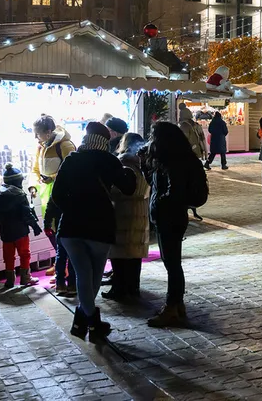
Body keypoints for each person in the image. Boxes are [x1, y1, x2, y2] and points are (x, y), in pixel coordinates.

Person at [52, 122, 136, 342]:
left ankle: (84, 318)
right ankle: (93, 323)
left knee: (82, 273)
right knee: (93, 275)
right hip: (100, 225)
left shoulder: (71, 160)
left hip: (71, 227)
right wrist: (129, 170)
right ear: (105, 141)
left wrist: (74, 209)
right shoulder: (109, 160)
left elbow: (57, 195)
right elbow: (128, 188)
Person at [144, 121, 196, 327]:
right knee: (173, 263)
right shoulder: (175, 158)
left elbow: (173, 191)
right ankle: (177, 304)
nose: (151, 140)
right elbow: (154, 184)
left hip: (170, 217)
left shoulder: (172, 162)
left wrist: (162, 204)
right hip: (173, 216)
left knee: (172, 263)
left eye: (153, 136)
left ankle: (171, 306)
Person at [31, 115, 76, 279]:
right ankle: (60, 263)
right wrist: (33, 185)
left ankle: (66, 267)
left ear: (48, 132)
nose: (36, 137)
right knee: (50, 228)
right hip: (45, 193)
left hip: (61, 194)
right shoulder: (41, 147)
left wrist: (53, 178)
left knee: (61, 230)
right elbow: (35, 169)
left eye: (38, 134)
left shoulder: (65, 145)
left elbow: (72, 169)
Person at [102, 152, 150, 301]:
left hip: (124, 215)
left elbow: (122, 191)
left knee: (119, 255)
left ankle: (119, 289)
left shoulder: (126, 171)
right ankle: (133, 287)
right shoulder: (142, 170)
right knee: (135, 256)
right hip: (140, 214)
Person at [0, 164, 42, 288]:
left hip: (5, 232)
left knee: (8, 256)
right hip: (20, 232)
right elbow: (26, 214)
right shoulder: (19, 195)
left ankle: (9, 280)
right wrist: (34, 225)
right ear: (18, 181)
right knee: (24, 254)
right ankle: (25, 278)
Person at [43, 199, 75, 296]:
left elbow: (50, 207)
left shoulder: (59, 186)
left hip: (61, 224)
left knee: (61, 254)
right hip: (75, 225)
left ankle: (60, 284)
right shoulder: (77, 186)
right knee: (73, 255)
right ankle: (72, 284)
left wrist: (47, 224)